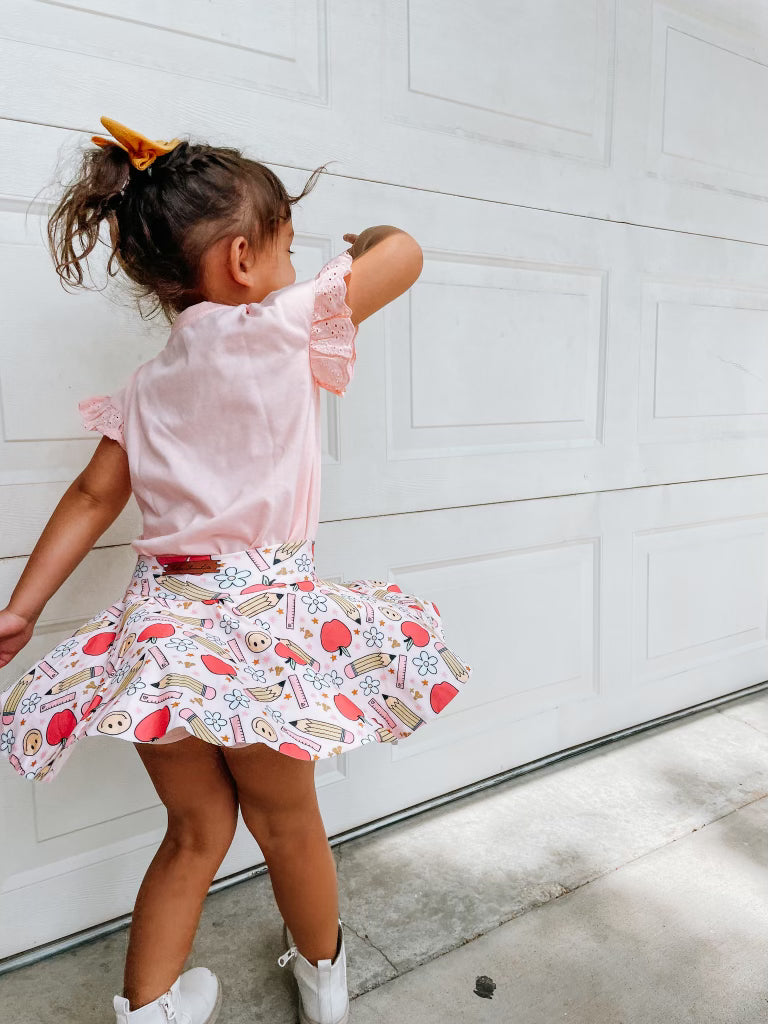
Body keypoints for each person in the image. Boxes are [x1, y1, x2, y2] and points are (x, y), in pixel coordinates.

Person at [0, 117, 474, 1024]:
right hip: (263, 630)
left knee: (193, 833)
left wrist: (23, 609)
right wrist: (364, 245)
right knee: (286, 821)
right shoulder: (277, 326)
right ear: (244, 260)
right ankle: (324, 983)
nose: (303, 273)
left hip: (161, 637)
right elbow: (403, 253)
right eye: (291, 251)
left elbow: (93, 498)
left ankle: (150, 1012)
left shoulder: (145, 387)